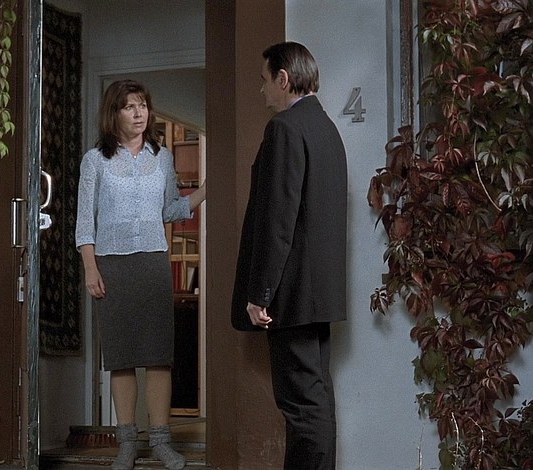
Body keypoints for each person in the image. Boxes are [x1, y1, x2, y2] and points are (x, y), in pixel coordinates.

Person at [76, 79, 206, 470]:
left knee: (158, 357)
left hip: (152, 263)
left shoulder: (162, 158)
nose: (139, 113)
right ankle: (127, 444)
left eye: (143, 106)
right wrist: (90, 268)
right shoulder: (94, 161)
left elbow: (171, 209)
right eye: (130, 107)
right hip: (112, 264)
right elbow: (85, 222)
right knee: (121, 357)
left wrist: (205, 189)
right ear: (113, 113)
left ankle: (162, 443)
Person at [231, 42, 347, 470]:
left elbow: (278, 218)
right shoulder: (326, 128)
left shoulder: (284, 128)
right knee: (316, 401)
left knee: (302, 407)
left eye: (265, 81)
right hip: (318, 293)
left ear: (283, 78)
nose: (262, 90)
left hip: (293, 293)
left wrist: (260, 292)